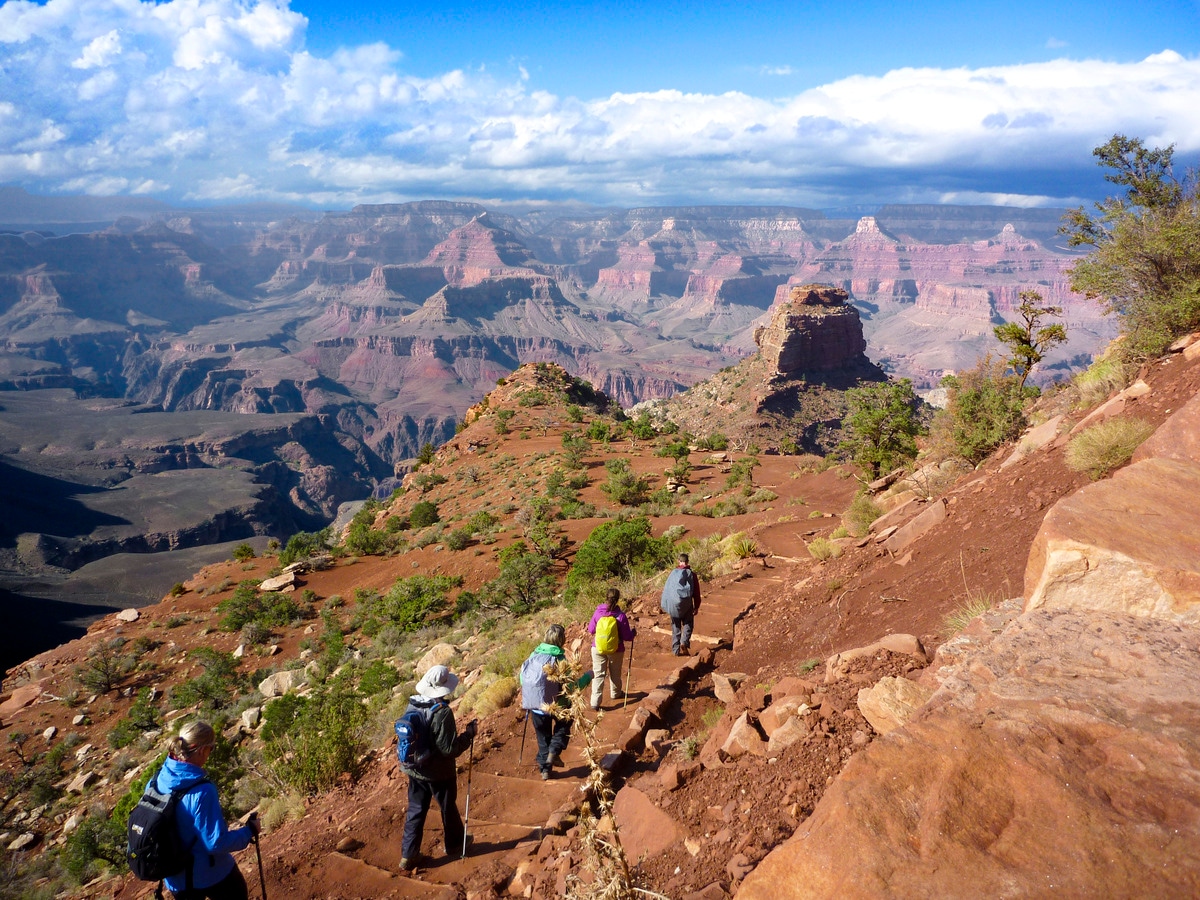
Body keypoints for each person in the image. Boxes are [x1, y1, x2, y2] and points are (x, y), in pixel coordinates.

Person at [152, 721, 258, 900]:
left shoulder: (157, 779)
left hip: (176, 879)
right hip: (212, 874)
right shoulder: (202, 791)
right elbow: (215, 843)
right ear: (201, 749)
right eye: (212, 749)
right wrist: (249, 832)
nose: (210, 754)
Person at [398, 665, 477, 871]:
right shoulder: (442, 713)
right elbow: (448, 749)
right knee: (447, 807)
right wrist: (468, 735)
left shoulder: (413, 705)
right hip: (439, 773)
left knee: (415, 810)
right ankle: (455, 844)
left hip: (415, 769)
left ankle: (408, 854)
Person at [519, 625, 591, 781]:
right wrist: (588, 677)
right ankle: (554, 751)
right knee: (563, 726)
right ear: (561, 640)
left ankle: (545, 771)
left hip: (536, 706)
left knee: (542, 737)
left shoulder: (533, 655)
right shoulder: (560, 659)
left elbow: (523, 678)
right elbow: (572, 686)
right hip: (559, 705)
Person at [586, 588, 636, 710]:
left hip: (598, 648)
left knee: (598, 674)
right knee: (615, 673)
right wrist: (633, 633)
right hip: (616, 649)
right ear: (618, 599)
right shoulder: (620, 616)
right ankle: (616, 693)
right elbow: (627, 637)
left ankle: (595, 702)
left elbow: (591, 630)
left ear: (606, 597)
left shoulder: (598, 612)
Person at [660, 552, 701, 656]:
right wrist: (696, 606)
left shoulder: (673, 573)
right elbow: (696, 592)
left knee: (675, 627)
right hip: (687, 605)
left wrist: (666, 604)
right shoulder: (692, 574)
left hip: (673, 605)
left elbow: (667, 590)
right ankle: (684, 642)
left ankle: (675, 650)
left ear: (679, 561)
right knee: (688, 624)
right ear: (687, 561)